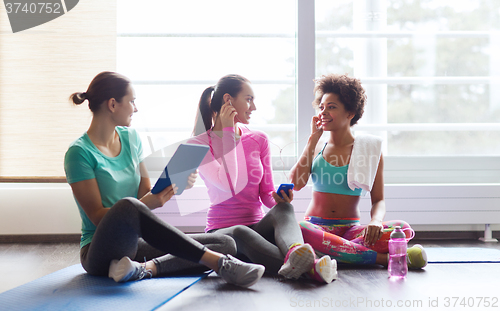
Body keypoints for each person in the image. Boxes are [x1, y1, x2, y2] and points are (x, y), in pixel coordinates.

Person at [64, 71, 265, 288]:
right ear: (113, 104)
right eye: (132, 101)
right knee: (126, 206)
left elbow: (145, 194)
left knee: (225, 242)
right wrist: (147, 202)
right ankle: (216, 262)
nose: (136, 108)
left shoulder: (131, 139)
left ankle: (143, 268)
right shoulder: (79, 153)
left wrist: (178, 184)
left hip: (135, 242)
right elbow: (97, 216)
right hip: (99, 250)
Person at [188, 74, 337, 284]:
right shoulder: (198, 145)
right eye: (248, 99)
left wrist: (278, 198)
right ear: (228, 100)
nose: (254, 107)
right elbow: (228, 184)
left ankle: (297, 255)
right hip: (224, 235)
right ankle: (314, 265)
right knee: (240, 232)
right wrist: (229, 130)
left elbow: (266, 195)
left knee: (285, 210)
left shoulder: (258, 139)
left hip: (258, 229)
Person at [289, 73, 427, 269]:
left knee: (402, 229)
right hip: (316, 227)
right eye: (322, 107)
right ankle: (383, 259)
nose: (323, 112)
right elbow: (296, 183)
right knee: (301, 228)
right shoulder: (316, 146)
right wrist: (312, 140)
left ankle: (333, 253)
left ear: (350, 113)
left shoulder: (369, 149)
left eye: (332, 107)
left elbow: (378, 199)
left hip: (351, 231)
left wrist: (376, 221)